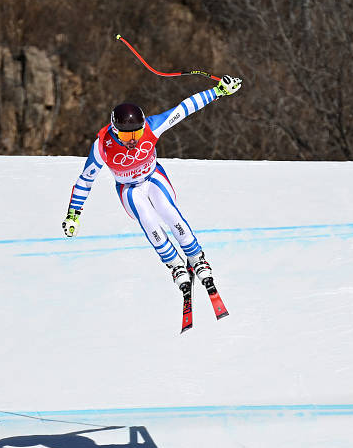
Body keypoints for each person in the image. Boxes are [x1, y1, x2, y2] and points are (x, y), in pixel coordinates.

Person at [61, 74, 243, 294]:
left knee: (168, 212)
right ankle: (175, 264)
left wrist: (218, 91)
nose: (133, 140)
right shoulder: (102, 146)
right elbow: (85, 180)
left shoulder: (152, 127)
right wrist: (73, 215)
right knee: (148, 220)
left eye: (137, 133)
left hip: (153, 176)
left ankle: (196, 257)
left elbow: (184, 108)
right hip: (128, 189)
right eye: (127, 135)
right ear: (115, 130)